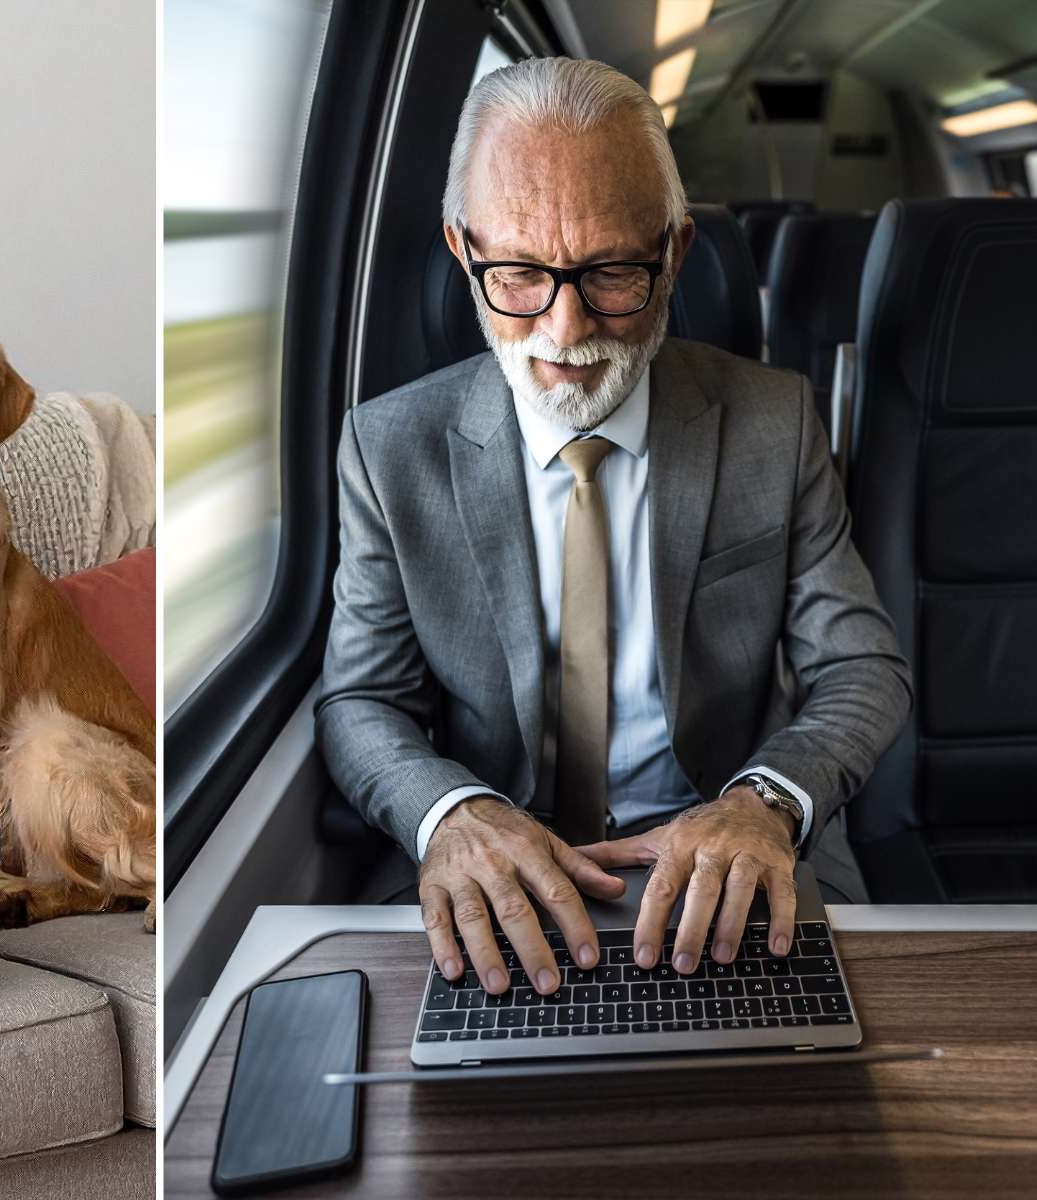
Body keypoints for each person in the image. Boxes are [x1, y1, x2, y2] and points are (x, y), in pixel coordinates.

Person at [315, 57, 909, 1000]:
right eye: (516, 273)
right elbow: (359, 703)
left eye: (611, 274)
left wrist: (763, 802)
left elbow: (862, 666)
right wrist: (456, 814)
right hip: (500, 864)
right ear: (463, 249)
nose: (563, 330)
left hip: (733, 849)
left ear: (672, 253)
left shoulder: (775, 420)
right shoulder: (388, 450)